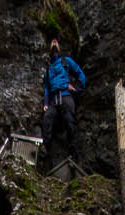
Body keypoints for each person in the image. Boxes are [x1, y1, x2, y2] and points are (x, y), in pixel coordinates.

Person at [41, 36, 85, 166]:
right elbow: (47, 89)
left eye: (56, 42)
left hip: (66, 96)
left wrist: (76, 89)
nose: (54, 41)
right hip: (54, 101)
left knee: (70, 124)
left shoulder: (66, 62)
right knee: (47, 121)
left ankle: (73, 156)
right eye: (52, 42)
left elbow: (81, 75)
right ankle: (45, 155)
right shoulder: (48, 71)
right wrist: (45, 104)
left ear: (60, 48)